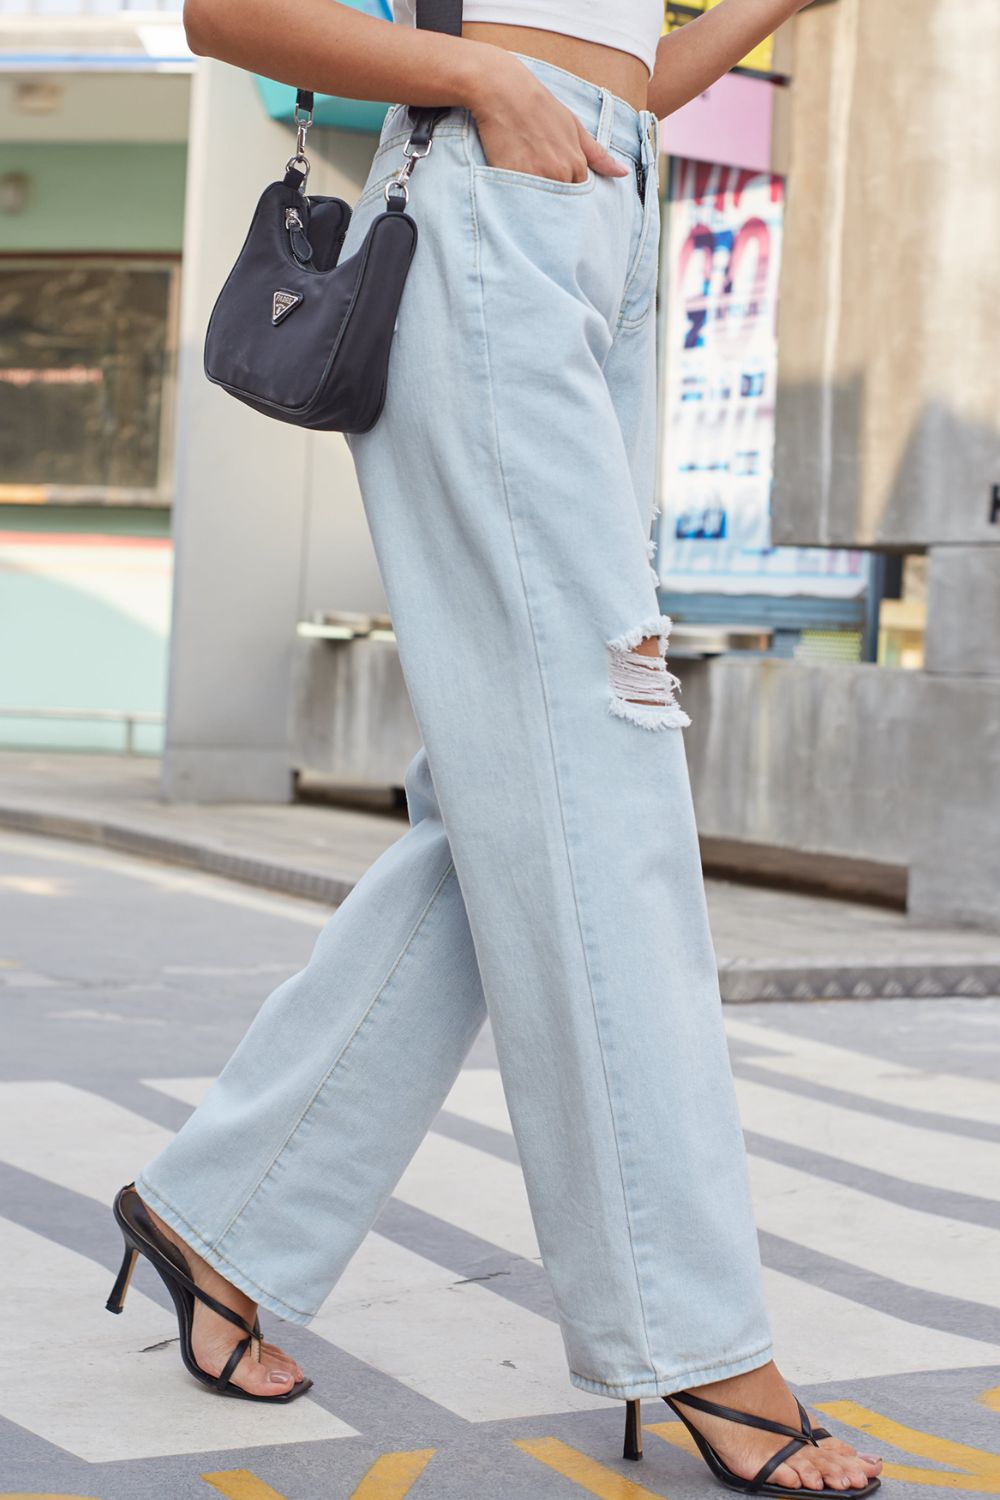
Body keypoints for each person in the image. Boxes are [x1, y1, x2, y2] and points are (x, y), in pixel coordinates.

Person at [109, 1, 884, 1490]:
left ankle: (226, 1214)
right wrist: (480, 80)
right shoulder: (476, 99)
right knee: (604, 778)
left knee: (512, 802)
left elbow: (624, 60)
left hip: (604, 203)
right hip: (489, 207)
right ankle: (698, 1339)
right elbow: (226, 13)